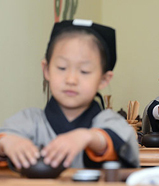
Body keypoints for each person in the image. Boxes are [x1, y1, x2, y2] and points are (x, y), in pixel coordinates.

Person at [0, 19, 139, 169]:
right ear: (46, 70)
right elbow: (5, 136)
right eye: (62, 67)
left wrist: (87, 136)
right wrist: (8, 143)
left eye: (84, 71)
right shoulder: (29, 120)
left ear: (103, 79)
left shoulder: (111, 121)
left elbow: (120, 143)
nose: (71, 79)